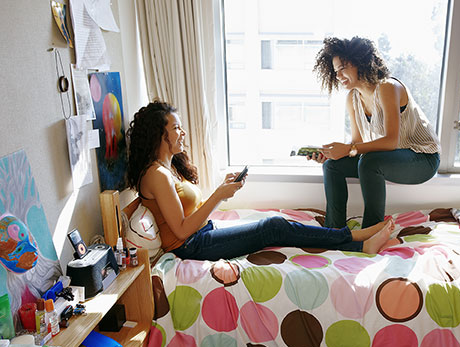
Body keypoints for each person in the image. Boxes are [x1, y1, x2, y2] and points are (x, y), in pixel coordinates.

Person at [126, 101, 395, 261]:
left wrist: (222, 189)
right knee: (272, 227)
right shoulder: (157, 175)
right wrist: (218, 195)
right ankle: (357, 239)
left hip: (202, 234)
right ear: (158, 135)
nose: (182, 132)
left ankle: (357, 242)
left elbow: (187, 212)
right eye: (176, 128)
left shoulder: (167, 167)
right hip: (193, 246)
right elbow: (182, 231)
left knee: (274, 226)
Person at [312, 36, 441, 229]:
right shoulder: (353, 98)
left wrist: (348, 149)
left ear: (359, 63)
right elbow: (357, 144)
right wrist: (333, 154)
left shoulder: (388, 87)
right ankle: (334, 229)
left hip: (423, 159)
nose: (338, 76)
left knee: (370, 162)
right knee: (332, 166)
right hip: (391, 159)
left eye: (342, 68)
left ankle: (372, 231)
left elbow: (390, 141)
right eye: (335, 71)